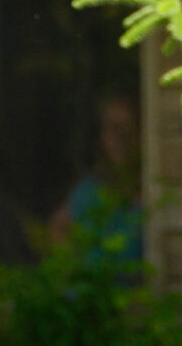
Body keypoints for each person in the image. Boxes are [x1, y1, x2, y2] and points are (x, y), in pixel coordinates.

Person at [48, 93, 143, 258]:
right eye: (111, 128)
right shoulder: (88, 191)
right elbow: (58, 227)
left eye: (127, 127)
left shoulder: (153, 194)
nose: (118, 137)